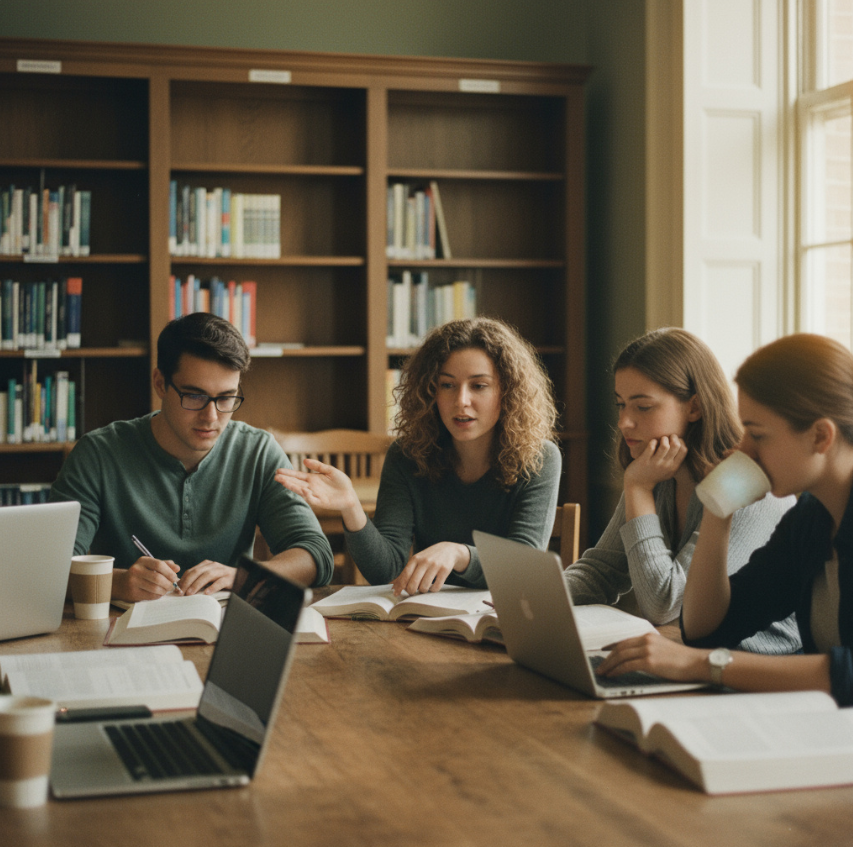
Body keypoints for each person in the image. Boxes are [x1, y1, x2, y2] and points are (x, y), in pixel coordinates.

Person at [596, 333, 853, 705]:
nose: (741, 449)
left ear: (820, 436)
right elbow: (707, 629)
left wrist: (702, 666)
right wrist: (718, 510)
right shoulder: (811, 520)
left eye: (758, 434)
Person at [50, 312, 333, 602]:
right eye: (195, 396)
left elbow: (315, 553)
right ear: (160, 383)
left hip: (221, 632)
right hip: (117, 633)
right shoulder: (97, 455)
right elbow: (46, 571)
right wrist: (116, 583)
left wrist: (244, 578)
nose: (211, 417)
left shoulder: (257, 451)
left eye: (226, 398)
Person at [275, 317, 561, 595]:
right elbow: (385, 570)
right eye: (447, 385)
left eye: (479, 386)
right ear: (430, 391)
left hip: (504, 620)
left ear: (508, 392)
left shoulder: (540, 458)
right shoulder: (407, 456)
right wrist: (351, 507)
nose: (461, 400)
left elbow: (524, 567)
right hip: (427, 620)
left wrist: (459, 553)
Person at [564, 327, 799, 654]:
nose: (624, 423)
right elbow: (602, 571)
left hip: (758, 671)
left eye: (642, 407)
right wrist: (531, 598)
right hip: (698, 659)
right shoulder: (654, 474)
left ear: (695, 408)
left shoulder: (746, 486)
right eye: (621, 405)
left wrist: (638, 489)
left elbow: (666, 604)